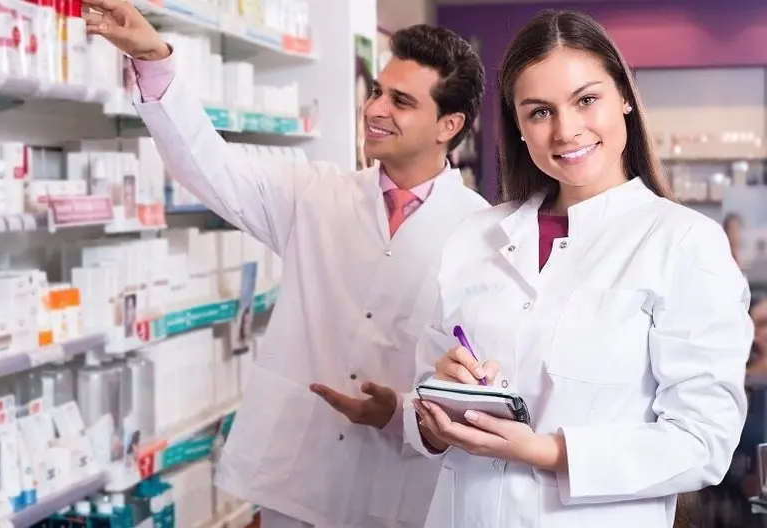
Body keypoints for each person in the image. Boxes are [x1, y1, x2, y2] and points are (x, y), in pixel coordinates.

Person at [81, 2, 489, 526]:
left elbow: (475, 380)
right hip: (299, 480)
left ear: (447, 125)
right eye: (377, 92)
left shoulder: (482, 234)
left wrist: (403, 414)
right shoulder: (314, 193)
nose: (376, 109)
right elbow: (208, 164)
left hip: (402, 491)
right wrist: (155, 58)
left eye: (402, 101)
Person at [403, 10, 752, 528]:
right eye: (539, 112)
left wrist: (548, 452)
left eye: (587, 100)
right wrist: (438, 413)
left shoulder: (684, 243)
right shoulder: (476, 237)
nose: (566, 130)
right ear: (518, 126)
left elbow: (704, 439)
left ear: (625, 98)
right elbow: (421, 406)